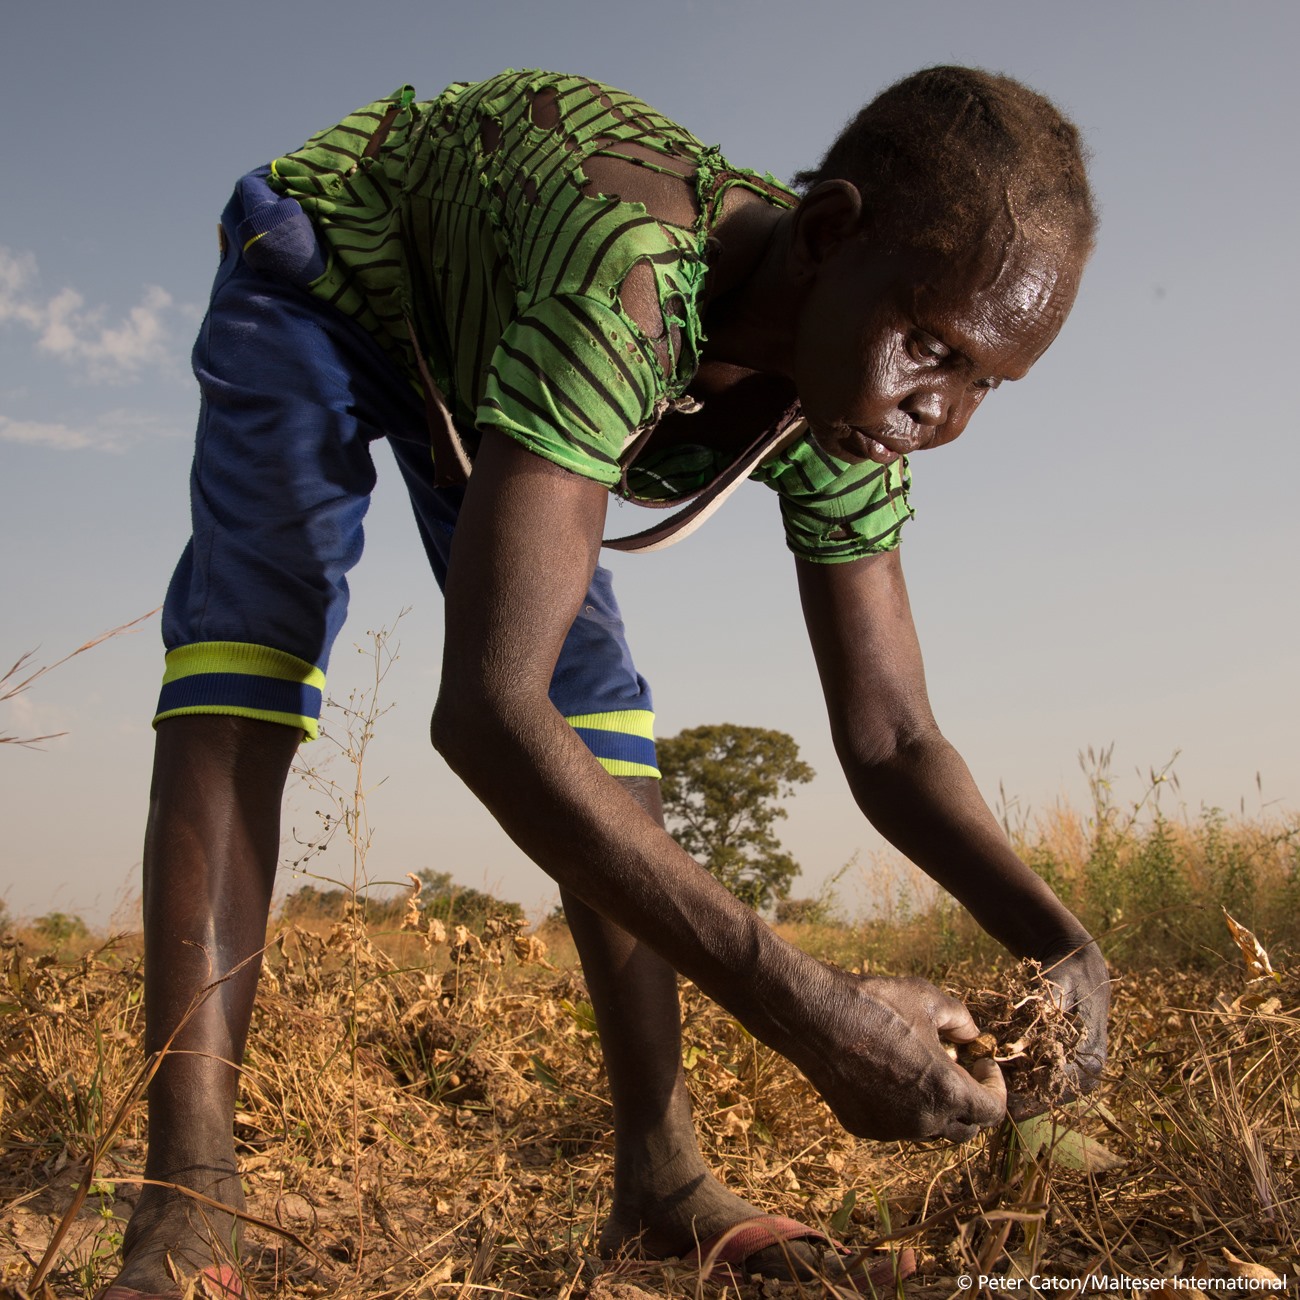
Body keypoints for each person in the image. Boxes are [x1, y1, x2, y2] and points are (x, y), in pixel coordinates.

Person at [101, 66, 1110, 1299]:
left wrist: (1061, 943)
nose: (937, 413)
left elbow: (893, 738)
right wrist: (810, 1012)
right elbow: (485, 712)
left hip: (498, 366)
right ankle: (187, 1191)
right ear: (830, 234)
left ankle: (663, 1184)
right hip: (340, 273)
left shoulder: (844, 403)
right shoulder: (629, 289)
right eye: (934, 348)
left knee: (604, 728)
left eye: (984, 383)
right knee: (250, 657)